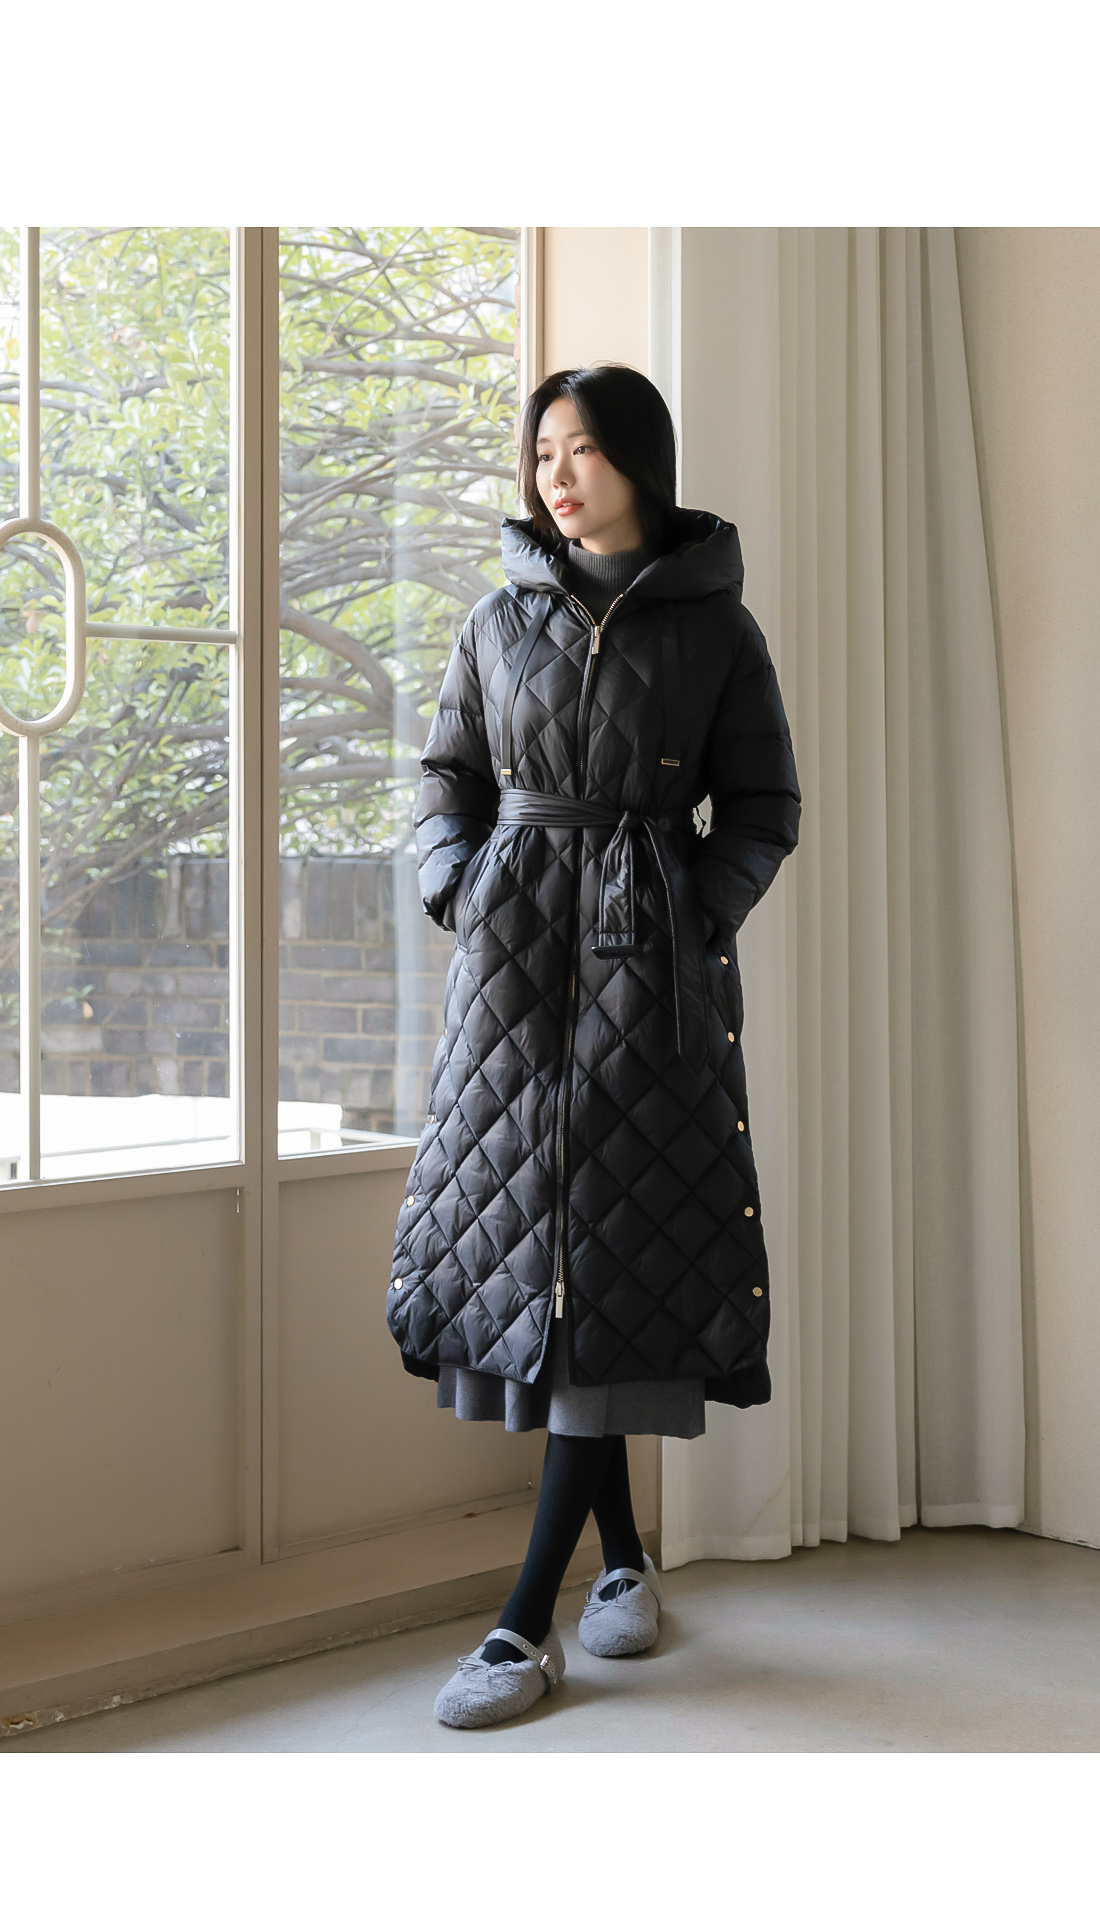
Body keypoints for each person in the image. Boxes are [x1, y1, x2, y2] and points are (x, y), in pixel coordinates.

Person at [387, 363, 800, 1729]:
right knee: (554, 1255)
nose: (556, 476)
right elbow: (446, 778)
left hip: (648, 970)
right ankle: (622, 1558)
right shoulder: (495, 618)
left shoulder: (716, 626)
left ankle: (522, 1626)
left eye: (583, 451)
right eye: (543, 452)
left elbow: (764, 804)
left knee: (614, 1240)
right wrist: (460, 884)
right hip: (512, 966)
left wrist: (690, 911)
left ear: (640, 461)